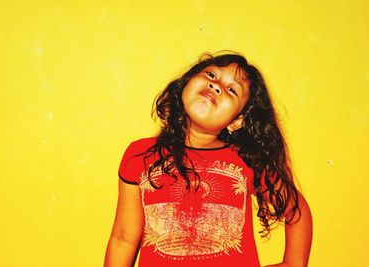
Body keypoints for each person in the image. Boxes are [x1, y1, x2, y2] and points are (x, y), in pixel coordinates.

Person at [104, 52, 313, 267]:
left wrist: (294, 263)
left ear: (237, 121)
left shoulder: (246, 160)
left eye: (232, 90)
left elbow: (296, 210)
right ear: (186, 85)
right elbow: (123, 238)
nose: (217, 86)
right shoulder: (140, 155)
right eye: (211, 75)